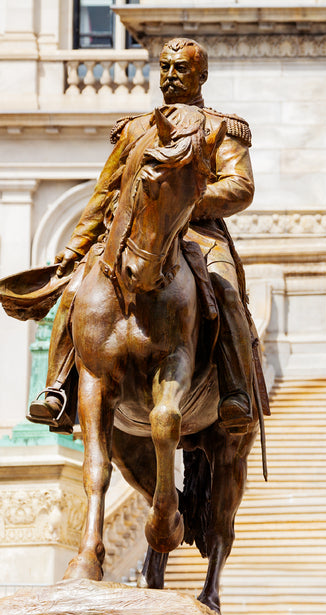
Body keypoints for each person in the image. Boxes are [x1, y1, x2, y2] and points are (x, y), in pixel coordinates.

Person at [27, 37, 257, 434]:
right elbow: (104, 193)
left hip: (198, 233)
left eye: (180, 69)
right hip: (131, 233)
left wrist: (186, 201)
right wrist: (76, 246)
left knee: (228, 291)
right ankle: (58, 388)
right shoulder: (135, 129)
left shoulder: (222, 128)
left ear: (201, 75)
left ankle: (236, 391)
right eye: (164, 68)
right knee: (76, 288)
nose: (170, 76)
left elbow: (240, 186)